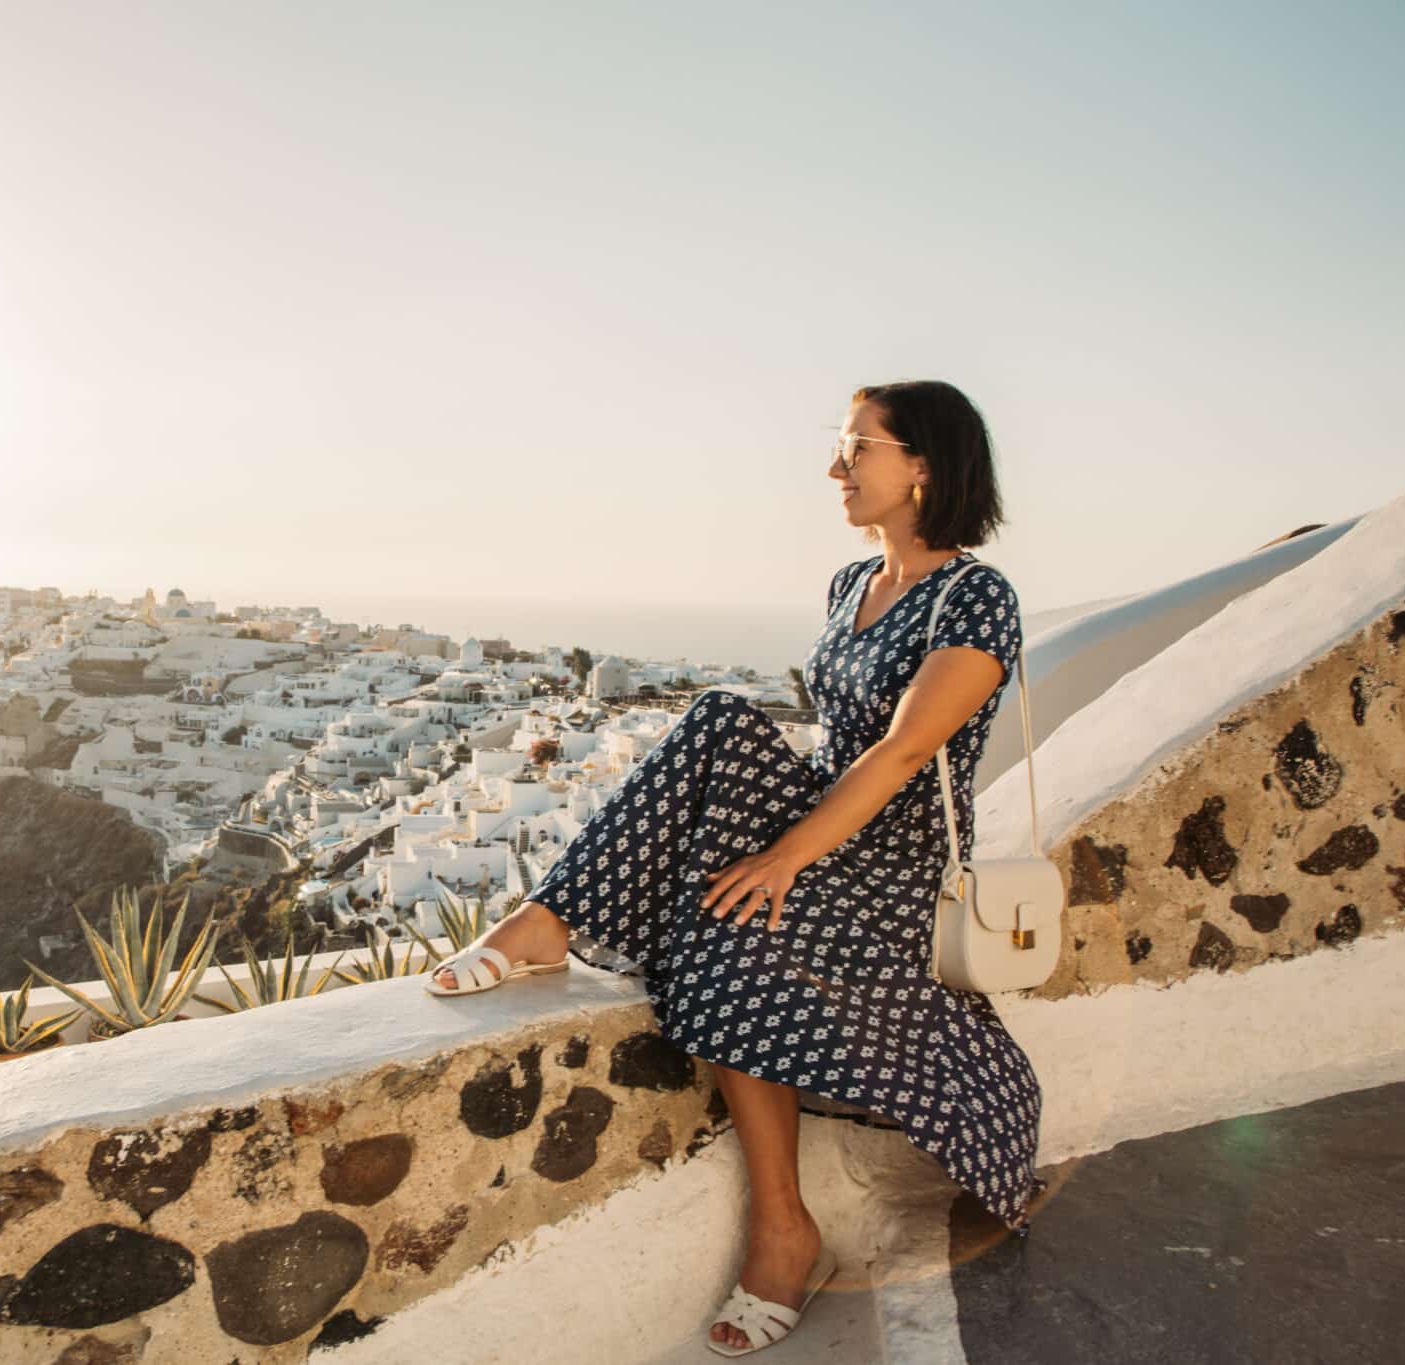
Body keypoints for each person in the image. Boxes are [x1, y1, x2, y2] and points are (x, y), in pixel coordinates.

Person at [428, 380, 1043, 1356]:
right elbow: (826, 739)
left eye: (857, 448)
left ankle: (779, 1234)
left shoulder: (975, 598)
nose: (834, 468)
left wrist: (782, 856)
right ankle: (550, 926)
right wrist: (767, 834)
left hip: (891, 848)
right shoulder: (848, 587)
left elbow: (897, 753)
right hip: (820, 811)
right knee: (718, 724)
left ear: (922, 465)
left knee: (729, 932)